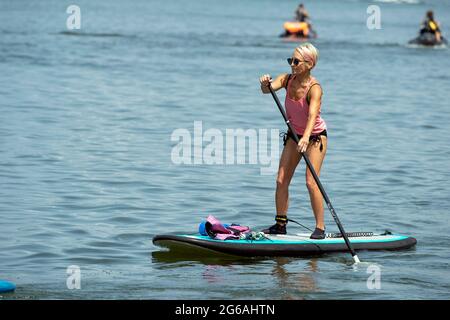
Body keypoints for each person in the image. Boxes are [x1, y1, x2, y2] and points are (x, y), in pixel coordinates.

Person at [259, 43, 327, 240]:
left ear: (309, 64)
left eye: (296, 62)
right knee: (281, 179)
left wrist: (306, 138)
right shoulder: (287, 80)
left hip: (314, 137)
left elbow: (313, 115)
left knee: (310, 182)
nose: (292, 65)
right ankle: (280, 225)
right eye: (290, 60)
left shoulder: (315, 88)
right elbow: (268, 90)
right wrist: (265, 83)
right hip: (293, 136)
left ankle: (320, 228)